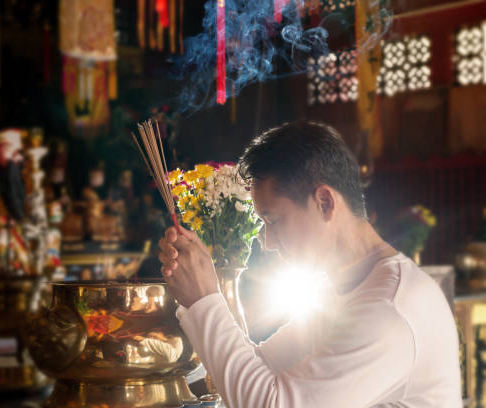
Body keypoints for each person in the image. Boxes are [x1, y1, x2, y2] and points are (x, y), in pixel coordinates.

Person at [158, 122, 461, 408]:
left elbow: (272, 404)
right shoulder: (341, 289)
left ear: (325, 203)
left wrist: (204, 300)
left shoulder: (390, 309)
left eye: (273, 221)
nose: (268, 242)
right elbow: (261, 365)